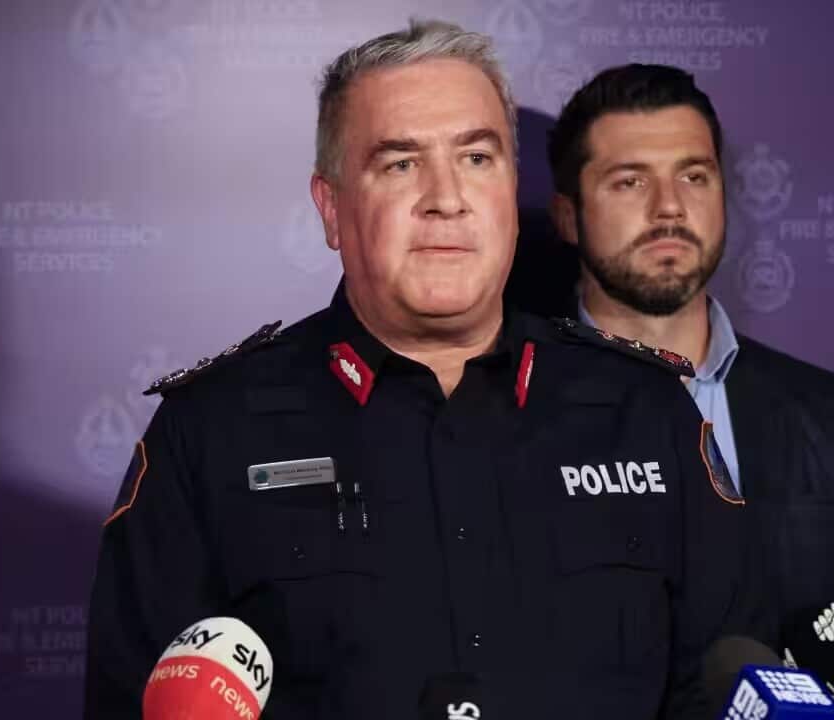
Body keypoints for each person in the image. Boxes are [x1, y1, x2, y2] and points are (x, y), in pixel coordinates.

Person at [84, 22, 772, 719]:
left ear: (512, 188)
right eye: (400, 163)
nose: (447, 197)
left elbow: (727, 684)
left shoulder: (647, 411)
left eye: (477, 158)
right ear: (332, 209)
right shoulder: (208, 433)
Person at [541, 62, 834, 711]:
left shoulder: (827, 413)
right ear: (567, 214)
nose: (669, 208)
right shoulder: (510, 411)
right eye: (629, 180)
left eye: (694, 176)